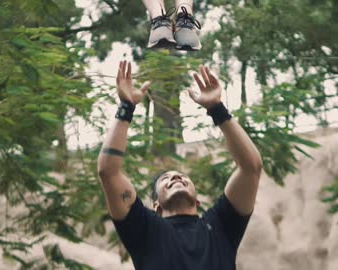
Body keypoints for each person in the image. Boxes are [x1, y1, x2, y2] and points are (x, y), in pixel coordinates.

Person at [97, 60, 262, 270]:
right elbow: (108, 172)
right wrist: (126, 107)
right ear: (155, 206)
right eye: (166, 179)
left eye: (183, 178)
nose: (177, 178)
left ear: (199, 202)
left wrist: (217, 109)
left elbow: (251, 167)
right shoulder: (145, 230)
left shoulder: (220, 225)